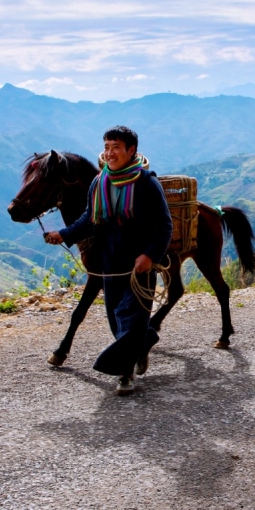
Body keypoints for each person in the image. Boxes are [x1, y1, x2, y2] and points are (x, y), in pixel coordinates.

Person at [45, 126, 173, 395]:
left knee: (132, 318)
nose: (109, 153)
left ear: (131, 151)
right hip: (110, 263)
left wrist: (149, 255)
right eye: (106, 147)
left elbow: (164, 226)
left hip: (139, 265)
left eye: (116, 147)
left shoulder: (147, 183)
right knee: (117, 317)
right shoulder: (99, 183)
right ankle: (144, 341)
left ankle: (124, 374)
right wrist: (63, 234)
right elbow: (89, 220)